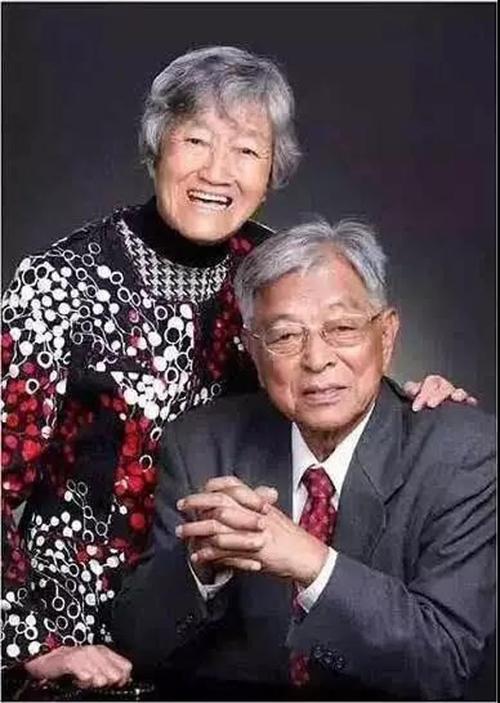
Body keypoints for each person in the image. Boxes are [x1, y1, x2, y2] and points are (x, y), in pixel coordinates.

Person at [1, 47, 476, 691]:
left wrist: (412, 400)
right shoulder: (60, 282)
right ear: (157, 148)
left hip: (223, 615)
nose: (217, 171)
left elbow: (331, 365)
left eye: (247, 150)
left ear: (272, 171)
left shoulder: (269, 267)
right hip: (78, 626)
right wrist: (31, 642)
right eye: (196, 140)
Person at [112, 219, 495, 701]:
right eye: (286, 336)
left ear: (386, 335)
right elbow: (138, 643)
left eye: (342, 328)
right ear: (254, 351)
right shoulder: (202, 444)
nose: (317, 359)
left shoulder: (462, 452)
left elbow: (449, 661)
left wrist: (311, 562)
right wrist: (197, 567)